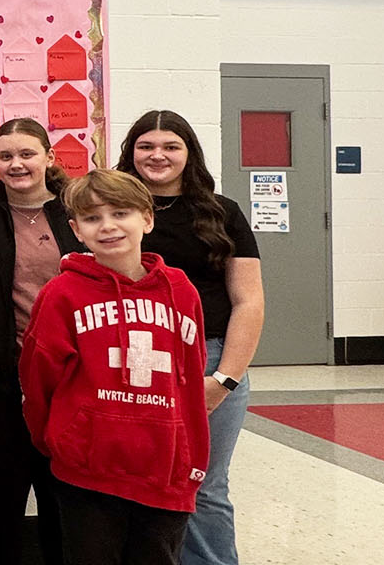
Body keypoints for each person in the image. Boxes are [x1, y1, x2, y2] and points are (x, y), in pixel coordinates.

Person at [20, 169, 208, 565]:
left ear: (147, 218)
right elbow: (39, 382)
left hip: (164, 473)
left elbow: (189, 381)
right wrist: (59, 440)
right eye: (92, 218)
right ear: (76, 229)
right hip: (88, 472)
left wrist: (190, 457)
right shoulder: (61, 294)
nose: (107, 226)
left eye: (120, 213)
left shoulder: (181, 291)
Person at [113, 110, 264, 565]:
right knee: (132, 481)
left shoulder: (223, 213)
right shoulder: (112, 211)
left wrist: (226, 378)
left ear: (189, 153)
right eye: (146, 146)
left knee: (204, 483)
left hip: (209, 361)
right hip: (130, 361)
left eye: (170, 146)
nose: (157, 155)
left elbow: (249, 301)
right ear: (130, 153)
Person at [0, 118, 85, 565]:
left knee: (65, 503)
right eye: (5, 156)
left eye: (27, 154)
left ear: (49, 156)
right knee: (2, 502)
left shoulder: (78, 211)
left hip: (70, 381)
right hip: (2, 382)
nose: (16, 164)